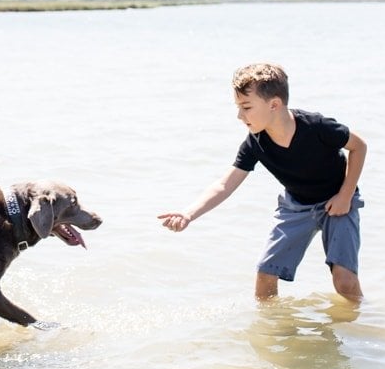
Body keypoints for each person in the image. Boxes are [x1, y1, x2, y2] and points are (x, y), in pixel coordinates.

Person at [157, 62, 367, 301]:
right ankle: (273, 333)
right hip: (296, 206)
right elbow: (226, 184)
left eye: (246, 107)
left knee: (344, 281)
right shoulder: (255, 143)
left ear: (274, 104)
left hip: (337, 201)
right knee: (266, 275)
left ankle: (363, 327)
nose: (239, 115)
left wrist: (346, 194)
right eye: (238, 107)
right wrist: (188, 214)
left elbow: (359, 147)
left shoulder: (317, 127)